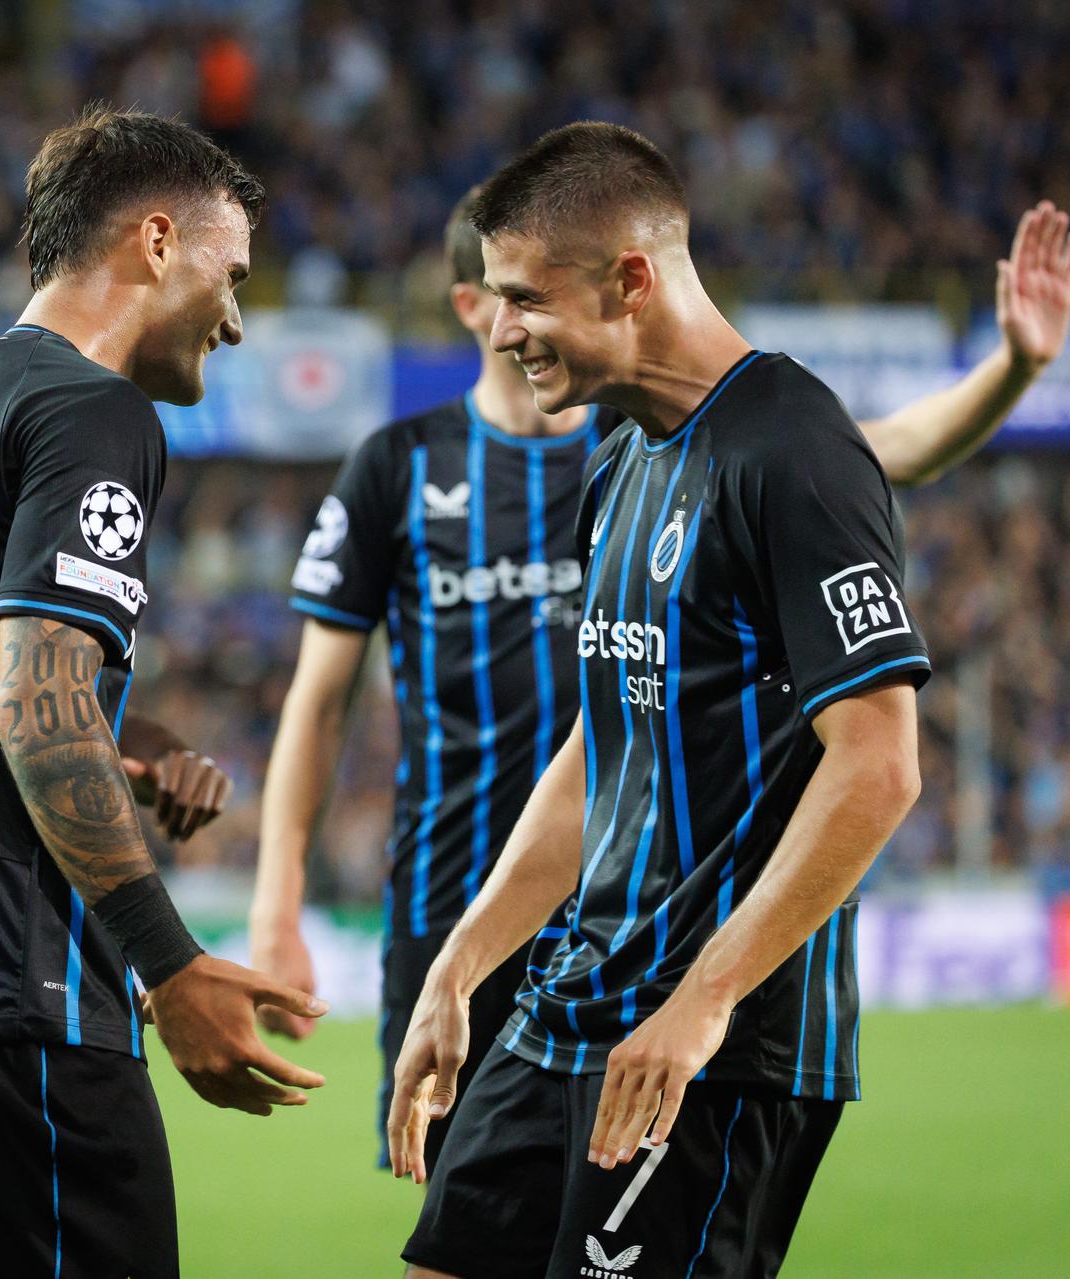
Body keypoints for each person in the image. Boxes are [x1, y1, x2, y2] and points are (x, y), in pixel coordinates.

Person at [254, 190, 1070, 1173]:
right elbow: (318, 704)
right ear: (470, 304)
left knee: (597, 1208)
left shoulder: (644, 442)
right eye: (502, 294)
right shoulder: (398, 467)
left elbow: (879, 451)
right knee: (460, 1204)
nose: (516, 323)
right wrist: (278, 906)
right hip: (458, 896)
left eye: (534, 294)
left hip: (645, 910)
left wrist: (1014, 367)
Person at [383, 121, 943, 1278]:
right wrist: (462, 962)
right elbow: (605, 749)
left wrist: (704, 1002)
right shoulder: (621, 453)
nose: (501, 329)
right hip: (568, 1002)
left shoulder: (793, 450)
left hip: (709, 1047)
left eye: (524, 297)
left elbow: (880, 763)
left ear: (631, 279)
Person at [0, 106, 324, 1278]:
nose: (235, 320)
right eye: (233, 276)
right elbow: (36, 706)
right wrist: (168, 964)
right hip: (3, 1003)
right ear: (158, 241)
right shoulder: (90, 408)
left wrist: (120, 747)